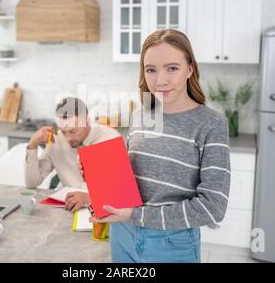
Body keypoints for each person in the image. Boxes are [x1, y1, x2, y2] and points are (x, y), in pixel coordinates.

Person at [89, 29, 231, 263]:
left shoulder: (211, 124)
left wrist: (136, 215)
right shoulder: (139, 116)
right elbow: (127, 182)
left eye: (172, 68)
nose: (160, 80)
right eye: (151, 70)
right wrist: (97, 179)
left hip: (171, 243)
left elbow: (212, 207)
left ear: (190, 69)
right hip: (122, 232)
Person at [25, 97, 120, 212]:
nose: (68, 138)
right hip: (68, 211)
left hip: (104, 214)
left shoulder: (109, 139)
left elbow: (120, 193)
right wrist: (32, 145)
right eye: (64, 131)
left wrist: (90, 198)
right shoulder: (57, 140)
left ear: (87, 121)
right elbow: (32, 182)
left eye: (73, 131)